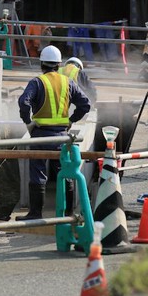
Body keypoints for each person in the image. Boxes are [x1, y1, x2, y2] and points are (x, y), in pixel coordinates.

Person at [17, 45, 91, 220]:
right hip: (62, 138)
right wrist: (72, 120)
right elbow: (85, 104)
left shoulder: (37, 82)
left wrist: (28, 122)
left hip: (40, 136)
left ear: (42, 64)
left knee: (38, 173)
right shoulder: (68, 82)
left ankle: (35, 214)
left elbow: (24, 102)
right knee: (65, 172)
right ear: (58, 65)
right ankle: (68, 214)